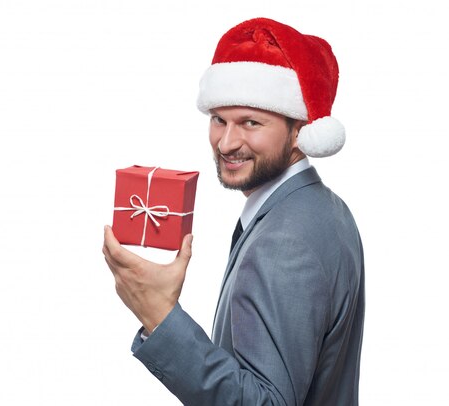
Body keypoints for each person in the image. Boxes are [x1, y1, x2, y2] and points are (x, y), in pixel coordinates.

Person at [102, 17, 365, 405]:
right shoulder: (323, 208)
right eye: (218, 120)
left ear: (300, 130)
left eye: (251, 122)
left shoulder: (284, 241)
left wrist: (159, 316)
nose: (226, 142)